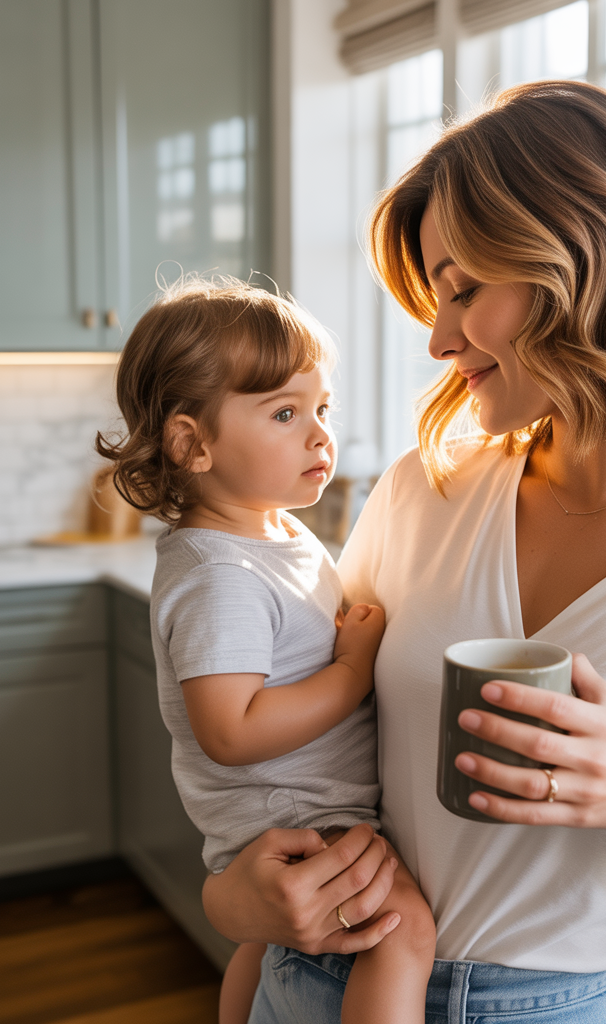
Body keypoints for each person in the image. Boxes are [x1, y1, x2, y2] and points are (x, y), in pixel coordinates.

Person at [202, 81, 606, 1023]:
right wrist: (233, 898)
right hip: (315, 982)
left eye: (464, 290)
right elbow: (297, 750)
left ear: (589, 265)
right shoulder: (422, 492)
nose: (439, 338)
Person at [95, 279, 436, 1024]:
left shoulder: (268, 529)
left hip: (296, 810)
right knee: (403, 930)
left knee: (260, 946)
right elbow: (232, 730)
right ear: (193, 443)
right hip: (297, 816)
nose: (319, 435)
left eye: (322, 409)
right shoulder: (220, 573)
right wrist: (351, 670)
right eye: (285, 413)